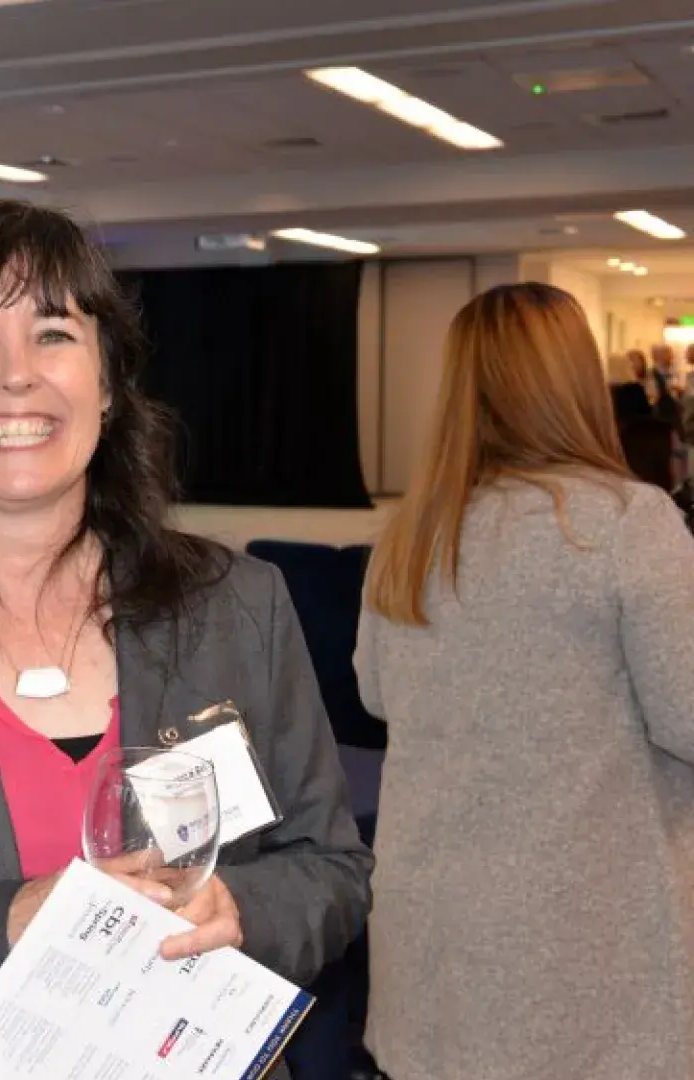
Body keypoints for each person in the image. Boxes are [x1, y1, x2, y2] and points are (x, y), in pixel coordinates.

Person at [0, 199, 373, 1080]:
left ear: (109, 386)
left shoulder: (237, 605)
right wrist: (14, 921)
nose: (16, 376)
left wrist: (241, 907)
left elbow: (333, 871)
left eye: (53, 334)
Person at [356, 283, 694, 1080]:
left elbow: (376, 694)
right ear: (576, 383)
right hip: (584, 953)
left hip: (433, 945)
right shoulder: (625, 523)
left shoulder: (410, 537)